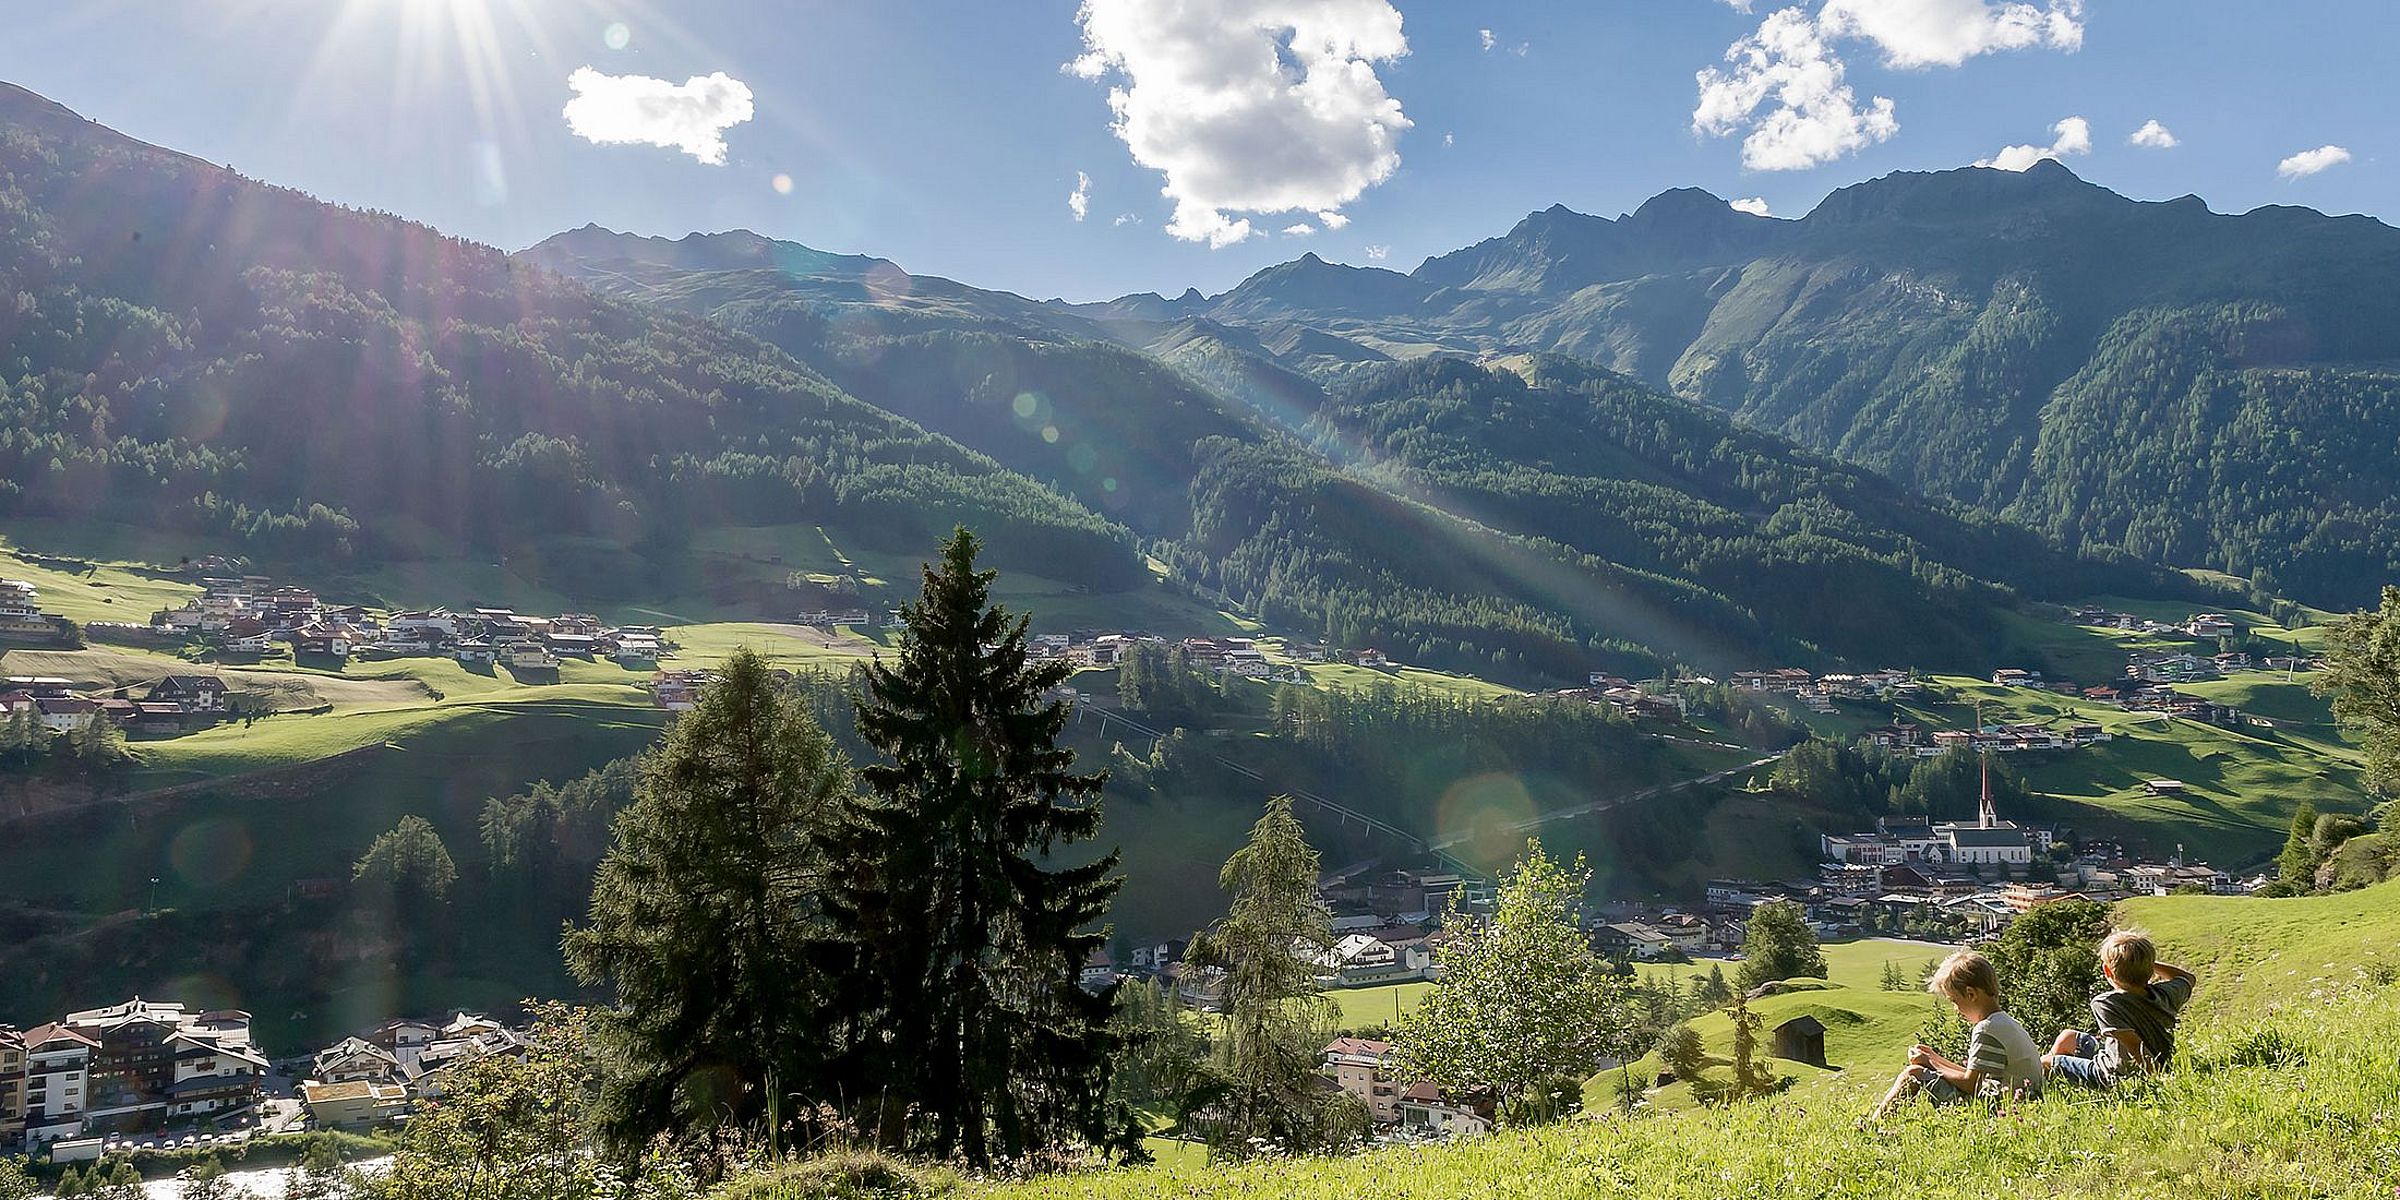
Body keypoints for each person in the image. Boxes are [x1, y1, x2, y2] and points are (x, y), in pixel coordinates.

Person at [1872, 950, 2044, 1118]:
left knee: (1914, 1074)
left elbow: (1971, 1084)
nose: (1955, 1009)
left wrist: (1930, 1063)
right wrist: (1933, 1058)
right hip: (2021, 1101)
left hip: (1999, 1109)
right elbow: (1973, 1075)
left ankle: (1874, 1126)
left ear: (1971, 994)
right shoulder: (2006, 1023)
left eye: (1954, 1001)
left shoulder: (1986, 1029)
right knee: (1920, 1069)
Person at [2045, 928, 2196, 1087]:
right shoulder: (2166, 994)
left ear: (2107, 971)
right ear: (2151, 969)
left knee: (2045, 1062)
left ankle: (2033, 1091)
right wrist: (2144, 962)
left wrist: (2160, 1082)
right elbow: (2187, 978)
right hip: (2127, 1056)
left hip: (2117, 1074)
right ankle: (2054, 1084)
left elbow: (2135, 1047)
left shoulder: (2106, 1003)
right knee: (2067, 1037)